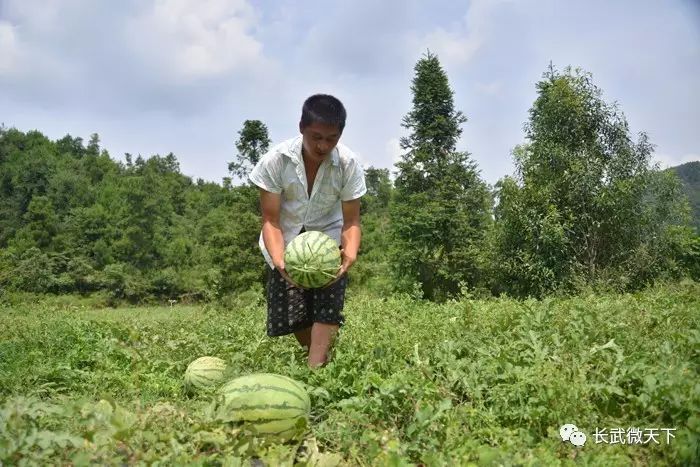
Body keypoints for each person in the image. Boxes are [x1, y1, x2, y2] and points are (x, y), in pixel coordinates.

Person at [248, 94, 367, 367]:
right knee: (293, 318)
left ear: (340, 135)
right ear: (301, 126)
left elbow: (351, 221)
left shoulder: (348, 164)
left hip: (328, 240)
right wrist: (280, 262)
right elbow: (270, 219)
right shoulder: (275, 161)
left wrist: (349, 255)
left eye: (331, 138)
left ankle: (316, 373)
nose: (323, 145)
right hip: (285, 243)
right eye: (316, 137)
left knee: (328, 311)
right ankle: (318, 358)